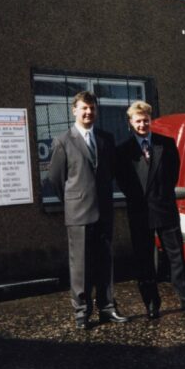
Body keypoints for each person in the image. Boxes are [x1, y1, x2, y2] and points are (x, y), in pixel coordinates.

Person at [115, 101, 185, 319]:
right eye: (138, 121)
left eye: (146, 120)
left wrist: (161, 195)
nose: (142, 124)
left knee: (176, 258)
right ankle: (152, 305)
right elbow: (123, 182)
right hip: (140, 212)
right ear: (130, 123)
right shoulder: (123, 151)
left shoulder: (166, 144)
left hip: (164, 207)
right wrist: (140, 198)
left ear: (150, 121)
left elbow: (173, 174)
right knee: (144, 260)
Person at [49, 91, 128, 329]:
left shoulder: (106, 139)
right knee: (81, 265)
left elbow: (110, 172)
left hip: (103, 211)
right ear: (74, 110)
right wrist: (73, 202)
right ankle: (82, 312)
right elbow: (55, 179)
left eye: (92, 108)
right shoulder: (63, 141)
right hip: (78, 212)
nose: (88, 112)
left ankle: (107, 307)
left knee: (105, 261)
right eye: (84, 108)